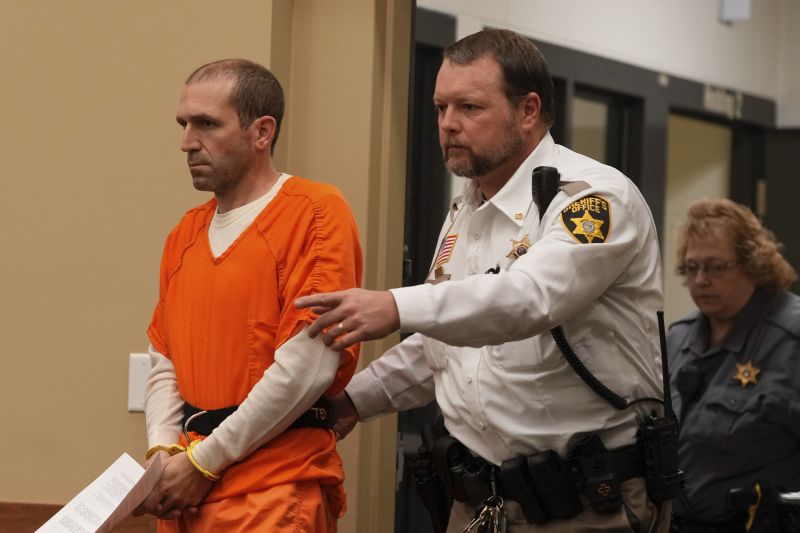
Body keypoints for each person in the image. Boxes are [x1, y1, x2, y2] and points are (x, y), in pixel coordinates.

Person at [296, 29, 672, 532]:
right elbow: (445, 344)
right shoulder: (467, 208)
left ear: (529, 110)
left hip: (586, 502)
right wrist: (352, 402)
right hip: (479, 501)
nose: (448, 125)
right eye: (440, 108)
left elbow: (527, 300)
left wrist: (394, 306)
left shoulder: (594, 198)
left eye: (469, 108)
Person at [134, 59, 363, 532]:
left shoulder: (316, 212)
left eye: (206, 124)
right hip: (186, 495)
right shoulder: (184, 235)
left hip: (273, 492)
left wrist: (205, 462)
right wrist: (164, 454)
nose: (187, 142)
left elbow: (308, 368)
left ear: (262, 132)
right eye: (184, 124)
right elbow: (164, 362)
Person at [666, 198, 800, 533]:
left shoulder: (792, 337)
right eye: (691, 268)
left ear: (754, 264)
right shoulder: (679, 336)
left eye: (715, 267)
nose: (700, 280)